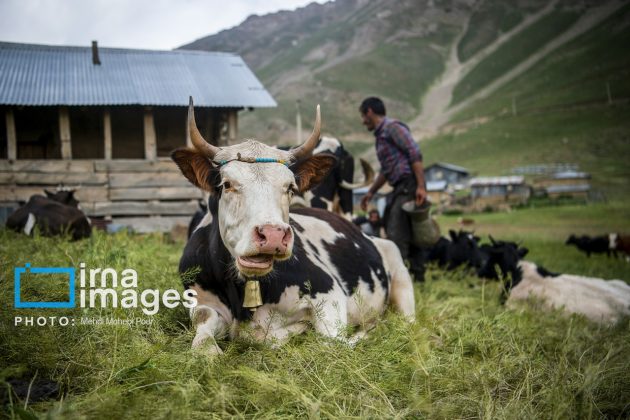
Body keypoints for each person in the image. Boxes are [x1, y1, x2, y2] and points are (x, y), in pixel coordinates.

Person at [359, 97, 427, 279]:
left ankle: (397, 280)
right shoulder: (381, 137)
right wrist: (371, 192)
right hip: (400, 187)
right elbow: (387, 171)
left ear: (369, 112)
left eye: (363, 116)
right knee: (406, 231)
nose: (362, 121)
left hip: (409, 185)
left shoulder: (393, 128)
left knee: (397, 234)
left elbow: (414, 152)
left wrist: (420, 186)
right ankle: (418, 277)